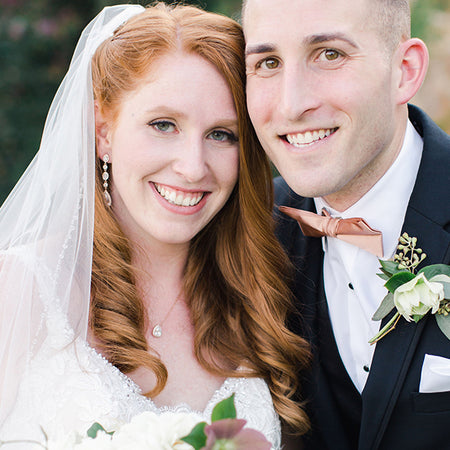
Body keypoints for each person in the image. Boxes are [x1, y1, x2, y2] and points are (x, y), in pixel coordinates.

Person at [0, 3, 311, 448]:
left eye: (222, 134)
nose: (192, 167)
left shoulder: (261, 302)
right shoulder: (18, 289)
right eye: (163, 125)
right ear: (103, 131)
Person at [243, 0, 450, 448]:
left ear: (405, 71)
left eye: (329, 54)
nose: (292, 104)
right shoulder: (251, 232)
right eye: (268, 62)